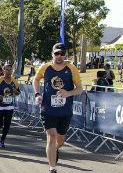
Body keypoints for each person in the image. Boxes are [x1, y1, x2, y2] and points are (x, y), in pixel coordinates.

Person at [33, 43, 83, 173]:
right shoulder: (45, 67)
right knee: (52, 136)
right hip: (48, 109)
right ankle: (52, 168)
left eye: (61, 53)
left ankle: (56, 149)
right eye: (56, 53)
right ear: (52, 54)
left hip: (64, 110)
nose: (59, 56)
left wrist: (68, 93)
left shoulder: (71, 68)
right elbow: (36, 79)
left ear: (65, 55)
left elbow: (79, 88)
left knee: (60, 139)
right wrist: (37, 94)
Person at [0, 62, 20, 148]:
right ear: (3, 70)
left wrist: (14, 91)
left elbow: (18, 93)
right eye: (7, 70)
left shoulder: (14, 81)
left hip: (9, 106)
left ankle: (2, 140)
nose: (9, 72)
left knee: (7, 124)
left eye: (10, 70)